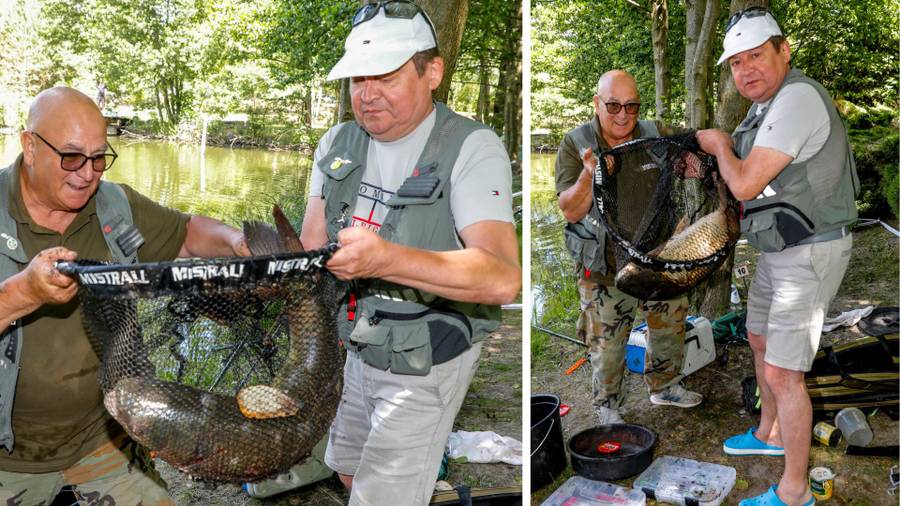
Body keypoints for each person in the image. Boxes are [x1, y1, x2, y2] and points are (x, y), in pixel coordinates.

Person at [294, 2, 520, 505]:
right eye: (358, 78)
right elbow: (311, 245)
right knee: (347, 468)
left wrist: (384, 259)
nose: (367, 93)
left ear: (431, 73)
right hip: (359, 342)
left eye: (386, 76)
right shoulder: (336, 142)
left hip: (429, 355)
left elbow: (502, 276)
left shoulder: (471, 148)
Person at [0, 86, 250, 504]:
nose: (87, 174)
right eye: (72, 157)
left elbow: (186, 234)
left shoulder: (114, 208)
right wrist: (22, 293)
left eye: (99, 158)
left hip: (103, 441)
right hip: (9, 459)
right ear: (30, 146)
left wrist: (235, 241)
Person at [697, 9, 857, 506]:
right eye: (736, 62)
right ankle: (768, 433)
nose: (745, 70)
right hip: (779, 248)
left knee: (786, 374)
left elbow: (745, 182)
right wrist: (719, 157)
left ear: (783, 51)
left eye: (756, 56)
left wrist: (720, 147)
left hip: (810, 252)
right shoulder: (763, 107)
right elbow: (753, 168)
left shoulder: (798, 99)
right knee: (758, 338)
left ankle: (794, 491)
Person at [555, 70, 703, 426]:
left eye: (631, 106)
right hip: (604, 268)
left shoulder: (655, 133)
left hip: (659, 259)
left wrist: (706, 155)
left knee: (670, 328)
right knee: (607, 347)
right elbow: (570, 210)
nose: (623, 114)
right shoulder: (576, 143)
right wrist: (589, 174)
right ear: (597, 104)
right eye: (613, 105)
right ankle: (609, 405)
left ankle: (665, 386)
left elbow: (700, 139)